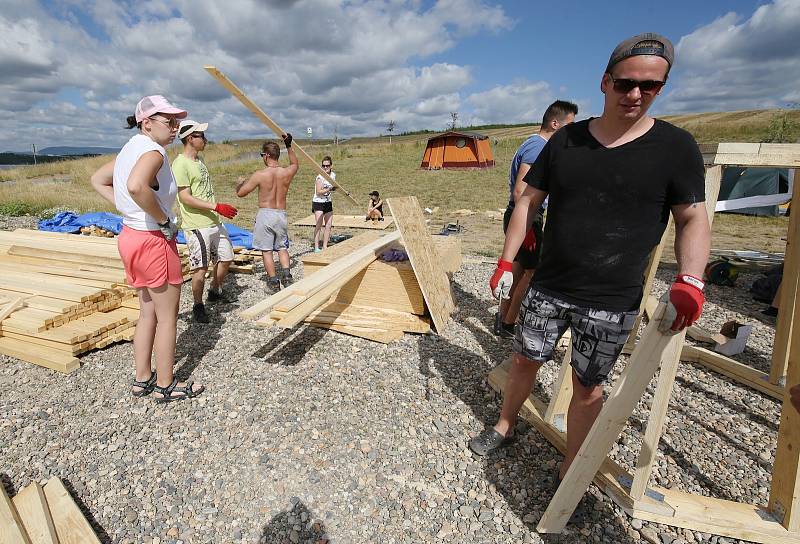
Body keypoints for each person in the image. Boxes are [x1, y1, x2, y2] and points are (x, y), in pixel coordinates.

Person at [471, 34, 711, 494]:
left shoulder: (675, 148)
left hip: (611, 300)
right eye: (625, 84)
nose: (635, 95)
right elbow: (527, 203)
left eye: (651, 86)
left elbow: (692, 217)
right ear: (605, 82)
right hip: (549, 287)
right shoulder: (566, 142)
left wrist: (691, 280)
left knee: (587, 388)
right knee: (523, 359)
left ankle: (570, 471)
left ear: (661, 87)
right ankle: (504, 424)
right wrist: (506, 262)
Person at [90, 95, 204, 402]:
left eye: (177, 121)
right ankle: (166, 383)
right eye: (169, 122)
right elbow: (137, 186)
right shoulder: (153, 151)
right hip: (153, 240)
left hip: (131, 237)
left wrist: (129, 211)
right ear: (147, 122)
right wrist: (162, 219)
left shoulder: (131, 148)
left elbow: (99, 179)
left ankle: (142, 378)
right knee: (168, 316)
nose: (175, 127)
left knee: (147, 311)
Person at [495, 101, 578, 338]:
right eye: (568, 125)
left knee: (517, 269)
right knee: (532, 272)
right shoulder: (538, 148)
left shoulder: (533, 143)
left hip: (524, 215)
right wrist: (529, 226)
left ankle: (503, 319)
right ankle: (509, 323)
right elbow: (521, 191)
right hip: (527, 216)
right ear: (555, 123)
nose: (570, 131)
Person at [172, 119, 239, 324]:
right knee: (199, 269)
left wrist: (215, 210)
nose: (206, 139)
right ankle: (198, 305)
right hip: (196, 225)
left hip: (213, 221)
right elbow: (185, 197)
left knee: (226, 257)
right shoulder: (180, 164)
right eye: (201, 135)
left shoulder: (199, 161)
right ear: (190, 138)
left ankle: (215, 291)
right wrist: (216, 206)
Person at [237, 134, 298, 292]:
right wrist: (289, 145)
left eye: (262, 155)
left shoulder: (260, 175)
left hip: (266, 214)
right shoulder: (286, 173)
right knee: (282, 248)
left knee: (267, 250)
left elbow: (241, 193)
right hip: (281, 214)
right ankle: (287, 276)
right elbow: (295, 163)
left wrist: (239, 184)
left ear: (268, 155)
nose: (262, 158)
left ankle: (273, 282)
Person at [312, 156, 336, 251]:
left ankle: (325, 246)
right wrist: (329, 189)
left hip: (327, 202)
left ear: (331, 166)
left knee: (328, 225)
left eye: (327, 165)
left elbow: (332, 187)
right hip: (318, 202)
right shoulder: (320, 177)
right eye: (323, 166)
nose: (325, 167)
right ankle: (316, 247)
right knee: (319, 225)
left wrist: (332, 189)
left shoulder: (333, 175)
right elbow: (318, 192)